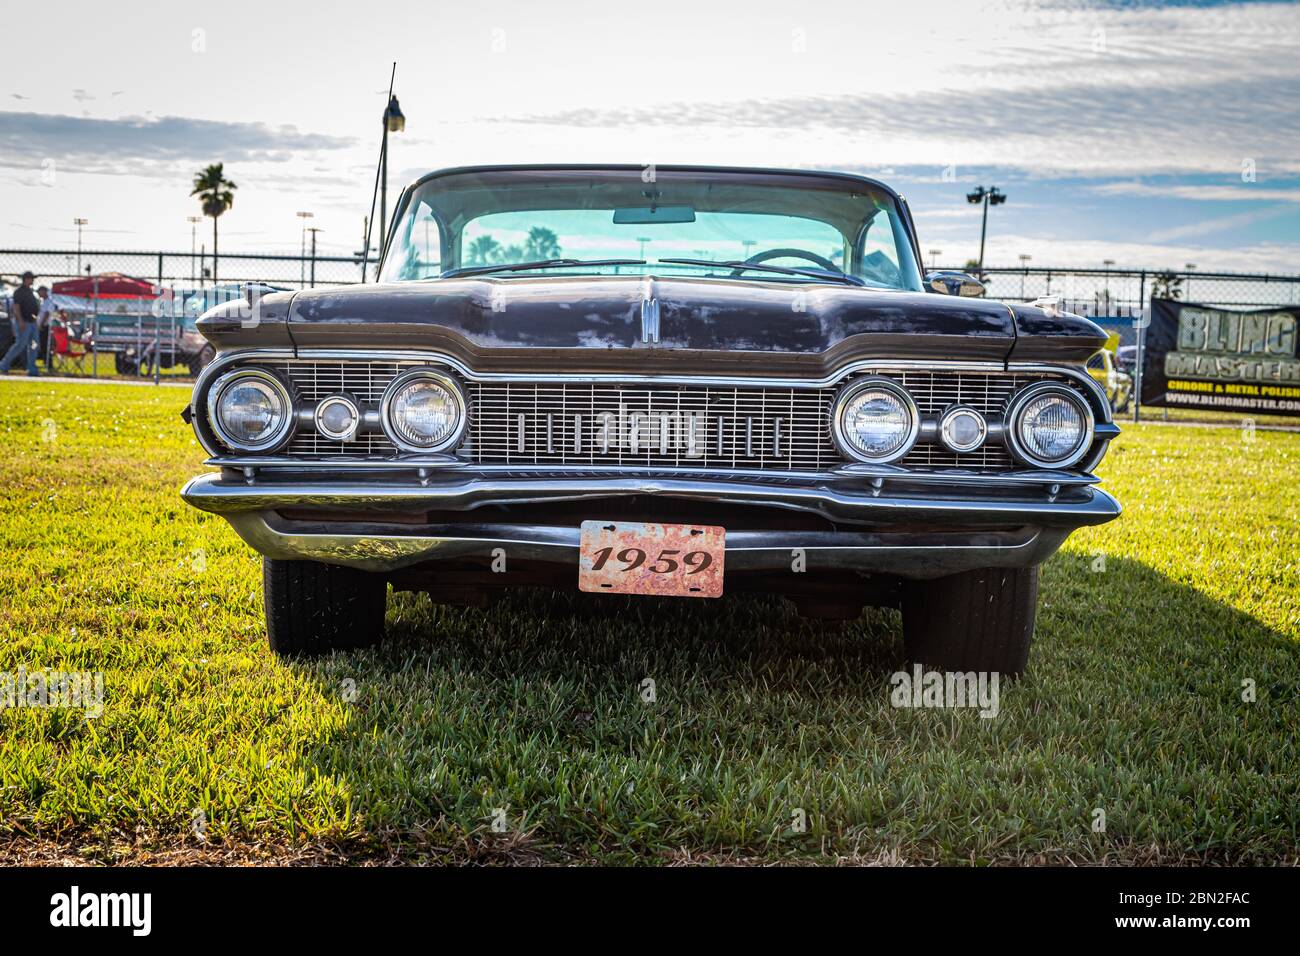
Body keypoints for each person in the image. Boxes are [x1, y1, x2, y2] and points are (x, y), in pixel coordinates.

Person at [0, 271, 42, 376]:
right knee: (20, 345)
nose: (32, 280)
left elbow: (34, 308)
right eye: (30, 278)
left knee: (34, 345)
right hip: (23, 321)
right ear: (25, 279)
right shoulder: (19, 292)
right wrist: (20, 320)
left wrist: (36, 320)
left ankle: (32, 369)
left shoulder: (31, 291)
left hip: (32, 322)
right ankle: (4, 364)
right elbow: (16, 307)